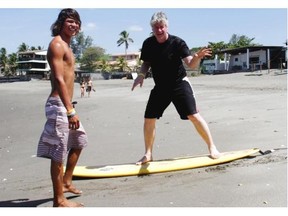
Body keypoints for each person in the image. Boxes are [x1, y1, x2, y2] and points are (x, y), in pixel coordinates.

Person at [131, 11, 220, 165]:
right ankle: (148, 154)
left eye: (161, 27)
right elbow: (146, 62)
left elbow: (190, 64)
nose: (159, 30)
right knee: (149, 119)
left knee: (193, 115)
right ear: (152, 28)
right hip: (161, 87)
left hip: (179, 83)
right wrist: (141, 75)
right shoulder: (148, 43)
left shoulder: (177, 43)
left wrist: (197, 57)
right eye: (156, 27)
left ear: (166, 27)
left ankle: (212, 147)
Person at [37, 8, 88, 207]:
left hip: (65, 105)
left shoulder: (67, 45)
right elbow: (58, 79)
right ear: (60, 23)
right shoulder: (57, 44)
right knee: (58, 153)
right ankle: (59, 200)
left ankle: (66, 181)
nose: (74, 25)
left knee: (79, 141)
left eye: (76, 22)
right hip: (59, 105)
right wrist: (70, 110)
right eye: (70, 21)